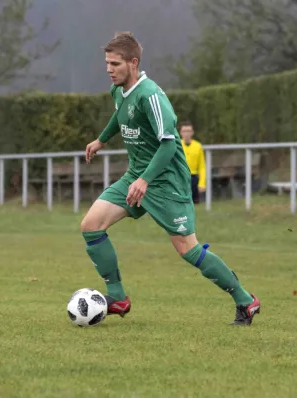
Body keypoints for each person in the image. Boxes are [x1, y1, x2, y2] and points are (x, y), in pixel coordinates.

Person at [81, 32, 260, 326]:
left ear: (133, 62)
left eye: (115, 63)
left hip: (165, 183)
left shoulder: (151, 95)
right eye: (107, 63)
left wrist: (146, 180)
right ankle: (118, 297)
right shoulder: (118, 91)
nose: (109, 69)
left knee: (187, 249)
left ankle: (245, 299)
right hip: (136, 177)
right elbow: (120, 115)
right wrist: (101, 140)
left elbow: (167, 144)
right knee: (91, 225)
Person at [179, 121, 206, 204]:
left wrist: (202, 183)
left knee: (193, 205)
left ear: (192, 132)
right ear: (180, 133)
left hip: (193, 178)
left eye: (189, 131)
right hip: (180, 177)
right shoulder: (177, 145)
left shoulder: (198, 146)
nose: (186, 134)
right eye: (184, 131)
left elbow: (202, 166)